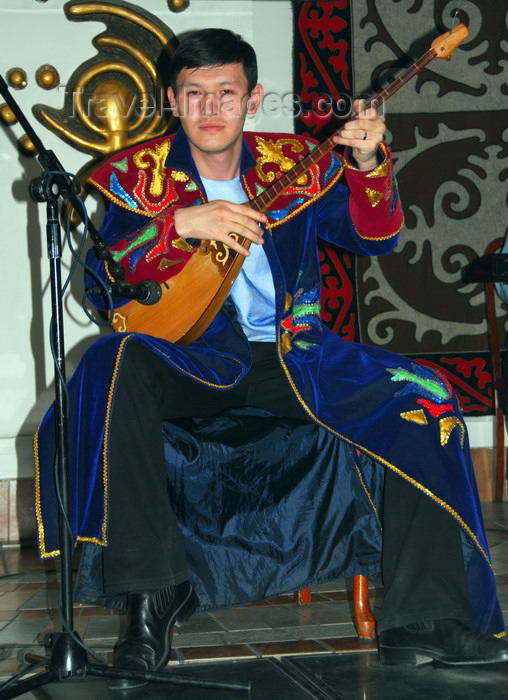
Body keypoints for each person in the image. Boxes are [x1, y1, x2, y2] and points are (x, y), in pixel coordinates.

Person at [34, 28, 508, 689]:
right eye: (194, 95)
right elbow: (103, 279)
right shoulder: (137, 176)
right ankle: (152, 598)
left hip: (297, 356)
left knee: (420, 391)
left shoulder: (300, 164)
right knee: (112, 361)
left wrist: (370, 164)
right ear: (172, 101)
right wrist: (178, 225)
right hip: (192, 359)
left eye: (225, 93)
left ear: (252, 98)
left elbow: (377, 237)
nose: (209, 109)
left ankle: (426, 619)